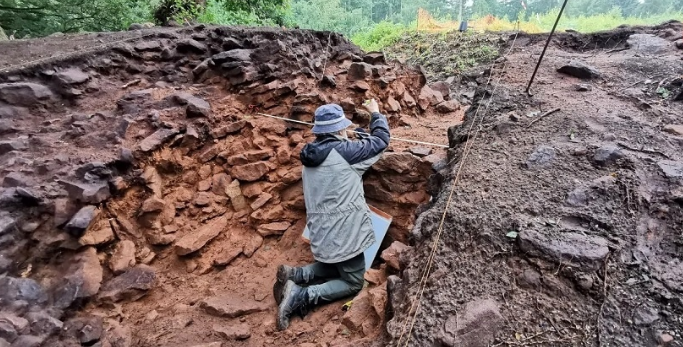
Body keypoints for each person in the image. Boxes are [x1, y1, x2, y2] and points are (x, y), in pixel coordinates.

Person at [273, 99, 391, 330]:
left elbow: (345, 149)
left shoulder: (311, 153)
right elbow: (381, 141)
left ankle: (297, 274)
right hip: (345, 231)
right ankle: (301, 296)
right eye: (343, 128)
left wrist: (355, 134)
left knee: (338, 263)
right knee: (353, 281)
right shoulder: (345, 152)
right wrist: (375, 114)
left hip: (321, 232)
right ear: (339, 129)